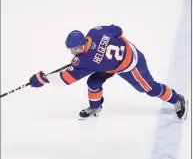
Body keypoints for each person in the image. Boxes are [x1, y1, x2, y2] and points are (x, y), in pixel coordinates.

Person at [29, 25, 188, 120]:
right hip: (112, 63)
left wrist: (44, 80)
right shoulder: (95, 32)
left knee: (149, 89)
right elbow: (118, 30)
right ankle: (96, 107)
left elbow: (67, 78)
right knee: (93, 83)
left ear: (82, 43)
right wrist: (104, 52)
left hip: (131, 64)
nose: (72, 52)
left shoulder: (84, 61)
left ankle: (176, 98)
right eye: (71, 49)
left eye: (74, 49)